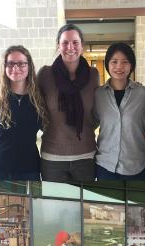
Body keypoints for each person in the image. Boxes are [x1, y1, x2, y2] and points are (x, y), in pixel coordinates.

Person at [37, 24, 100, 181]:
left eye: (75, 42)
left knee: (85, 204)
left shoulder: (93, 75)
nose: (70, 47)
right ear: (58, 46)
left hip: (86, 155)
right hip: (52, 158)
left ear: (82, 46)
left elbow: (99, 109)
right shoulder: (45, 74)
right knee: (54, 204)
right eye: (65, 42)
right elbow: (33, 104)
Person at [0, 45, 46, 180]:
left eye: (21, 64)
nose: (15, 68)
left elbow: (47, 128)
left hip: (29, 169)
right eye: (10, 64)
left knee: (28, 202)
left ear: (29, 66)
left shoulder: (38, 98)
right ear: (4, 67)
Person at [94, 43, 145, 180]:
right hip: (105, 165)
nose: (119, 66)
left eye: (125, 62)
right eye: (114, 62)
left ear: (131, 65)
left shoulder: (144, 94)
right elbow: (92, 123)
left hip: (136, 166)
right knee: (107, 202)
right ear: (107, 65)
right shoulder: (98, 94)